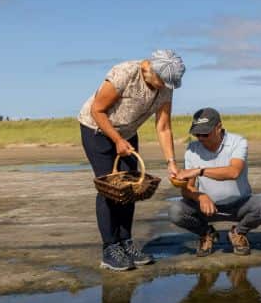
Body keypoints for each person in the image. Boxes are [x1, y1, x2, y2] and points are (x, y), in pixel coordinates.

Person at [78, 49, 185, 271]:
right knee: (109, 186)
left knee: (132, 188)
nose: (164, 86)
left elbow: (163, 127)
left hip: (126, 134)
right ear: (150, 69)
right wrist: (116, 139)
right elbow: (97, 110)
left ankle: (126, 242)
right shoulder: (124, 73)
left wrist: (171, 162)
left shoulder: (165, 86)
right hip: (97, 130)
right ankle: (110, 249)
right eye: (162, 81)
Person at [168, 107, 261, 256]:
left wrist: (200, 170)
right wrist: (201, 196)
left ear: (218, 127)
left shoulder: (238, 142)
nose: (200, 138)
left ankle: (238, 232)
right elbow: (187, 189)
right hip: (207, 207)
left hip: (240, 205)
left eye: (205, 133)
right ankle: (206, 233)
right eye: (196, 133)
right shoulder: (192, 149)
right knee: (176, 211)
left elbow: (234, 172)